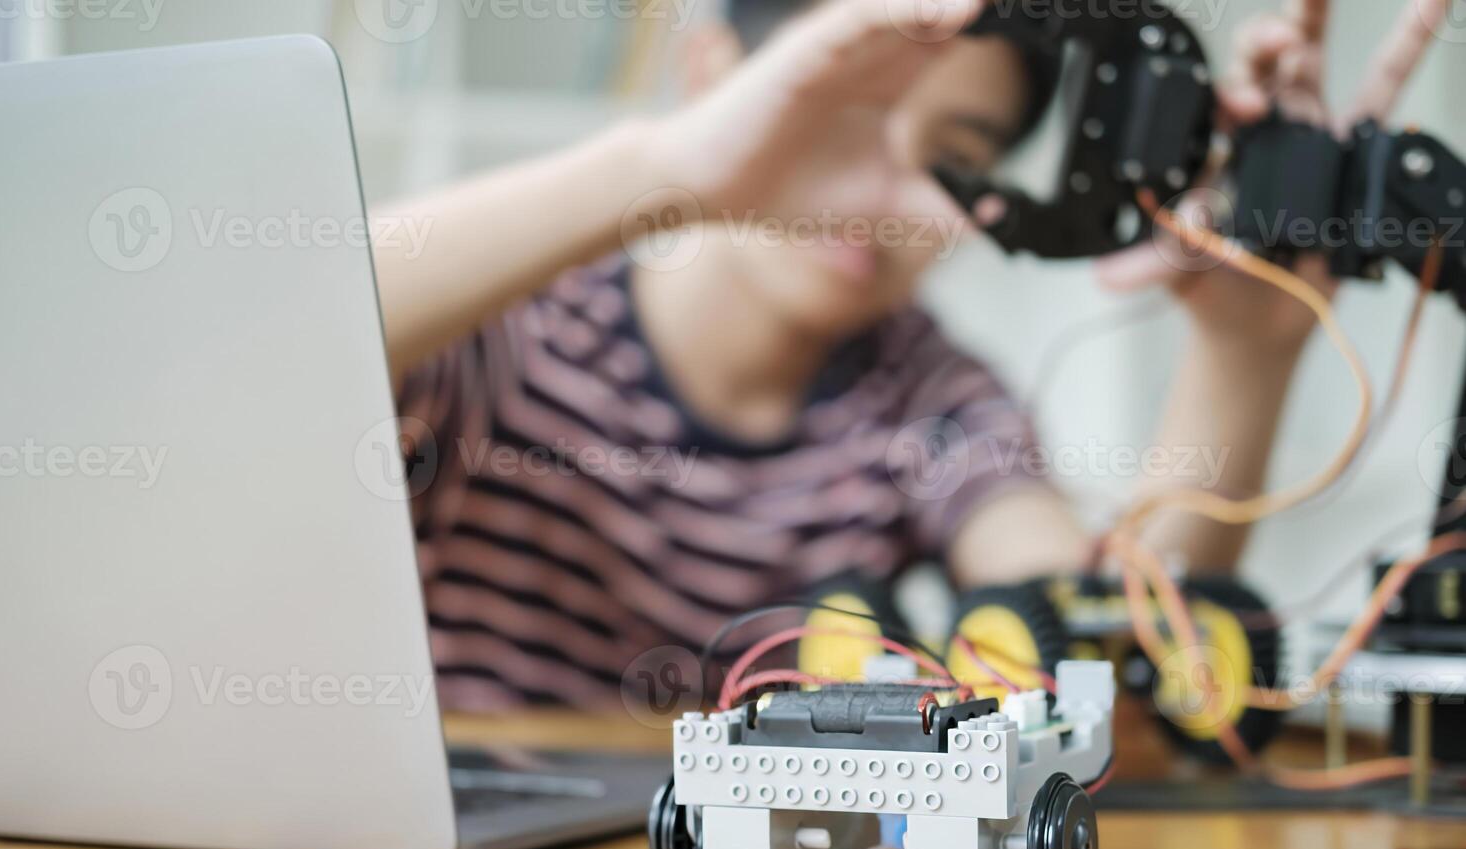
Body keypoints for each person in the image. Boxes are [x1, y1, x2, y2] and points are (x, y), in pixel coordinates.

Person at [372, 0, 1446, 709]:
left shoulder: (927, 400)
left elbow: (1095, 634)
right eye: (844, 117)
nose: (884, 200)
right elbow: (289, 342)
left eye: (953, 159)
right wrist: (666, 167)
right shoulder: (508, 332)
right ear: (715, 76)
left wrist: (1244, 354)